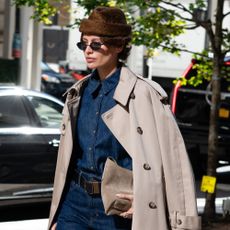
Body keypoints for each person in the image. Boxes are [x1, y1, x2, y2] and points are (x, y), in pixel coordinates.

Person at [48, 6, 201, 230]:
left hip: (118, 207)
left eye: (96, 44)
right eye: (84, 44)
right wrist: (58, 215)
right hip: (75, 203)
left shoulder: (145, 94)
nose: (87, 51)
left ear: (119, 45)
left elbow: (174, 160)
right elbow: (69, 161)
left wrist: (151, 203)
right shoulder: (78, 93)